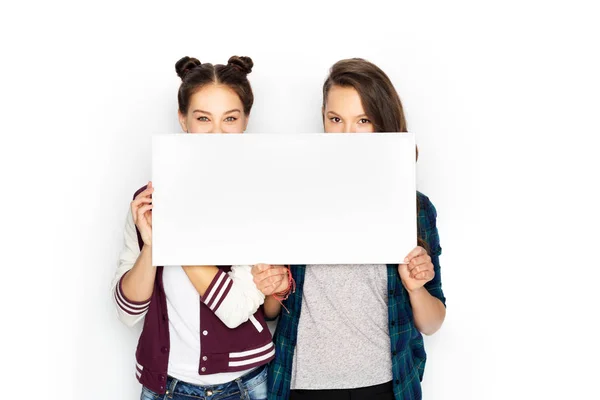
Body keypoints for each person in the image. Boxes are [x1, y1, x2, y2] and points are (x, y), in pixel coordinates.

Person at [254, 58, 446, 400]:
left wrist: (416, 289)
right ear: (323, 118)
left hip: (386, 383)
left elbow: (432, 323)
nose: (346, 133)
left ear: (382, 123)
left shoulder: (414, 208)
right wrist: (276, 287)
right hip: (303, 383)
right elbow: (270, 312)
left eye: (363, 120)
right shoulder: (293, 196)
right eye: (336, 119)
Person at [112, 55, 289, 400]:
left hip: (246, 386)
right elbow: (127, 311)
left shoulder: (263, 197)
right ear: (183, 120)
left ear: (246, 121)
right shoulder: (148, 202)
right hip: (165, 386)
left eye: (230, 119)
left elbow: (237, 309)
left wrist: (173, 237)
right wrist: (152, 247)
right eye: (203, 118)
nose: (217, 132)